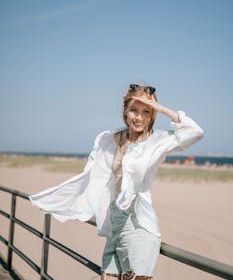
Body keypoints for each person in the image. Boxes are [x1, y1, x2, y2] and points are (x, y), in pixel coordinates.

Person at [29, 83, 204, 280]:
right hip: (114, 222)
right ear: (125, 110)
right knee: (108, 276)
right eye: (134, 110)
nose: (139, 117)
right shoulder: (110, 139)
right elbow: (93, 176)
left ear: (152, 115)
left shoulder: (159, 141)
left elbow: (196, 132)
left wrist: (160, 108)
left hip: (138, 225)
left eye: (146, 111)